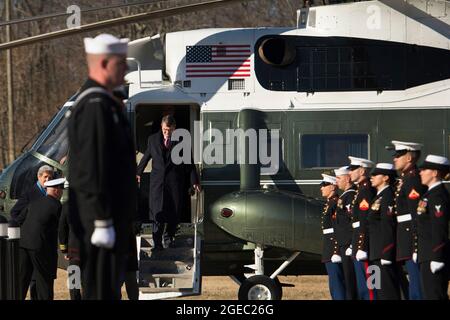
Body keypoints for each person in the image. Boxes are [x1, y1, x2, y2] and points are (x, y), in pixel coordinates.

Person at [68, 33, 137, 300]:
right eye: (122, 63)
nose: (126, 70)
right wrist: (101, 220)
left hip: (111, 220)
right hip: (101, 223)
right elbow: (91, 167)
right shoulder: (95, 106)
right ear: (105, 64)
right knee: (100, 292)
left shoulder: (105, 103)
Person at [136, 114, 200, 250]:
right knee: (156, 213)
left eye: (169, 130)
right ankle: (157, 243)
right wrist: (138, 173)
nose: (167, 133)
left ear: (174, 128)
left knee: (174, 213)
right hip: (157, 184)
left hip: (174, 183)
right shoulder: (152, 139)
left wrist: (194, 180)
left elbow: (189, 163)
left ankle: (168, 238)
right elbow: (146, 157)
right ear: (161, 126)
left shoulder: (181, 141)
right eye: (165, 130)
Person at [389, 140, 426, 300]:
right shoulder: (405, 179)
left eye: (398, 155)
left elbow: (417, 215)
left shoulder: (412, 180)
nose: (394, 159)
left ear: (409, 158)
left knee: (418, 288)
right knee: (414, 287)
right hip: (406, 239)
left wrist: (416, 246)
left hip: (412, 240)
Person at [11, 164, 54, 300]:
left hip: (42, 244)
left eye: (50, 177)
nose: (48, 180)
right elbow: (15, 213)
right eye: (45, 177)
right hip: (27, 242)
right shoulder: (30, 193)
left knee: (37, 281)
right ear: (39, 177)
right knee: (25, 279)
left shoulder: (50, 193)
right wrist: (29, 224)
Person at [19, 178, 65, 300]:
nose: (62, 193)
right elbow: (62, 228)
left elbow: (20, 219)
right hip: (40, 247)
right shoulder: (57, 206)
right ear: (56, 190)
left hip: (23, 243)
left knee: (22, 280)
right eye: (61, 190)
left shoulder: (34, 202)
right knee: (44, 281)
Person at [417, 155, 450, 300]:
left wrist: (437, 256)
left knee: (435, 295)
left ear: (435, 173)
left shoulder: (438, 196)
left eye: (425, 169)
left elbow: (440, 227)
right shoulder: (429, 194)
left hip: (433, 255)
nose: (421, 172)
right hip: (426, 254)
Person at [368, 163, 402, 300]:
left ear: (386, 178)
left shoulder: (387, 195)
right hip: (374, 252)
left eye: (375, 175)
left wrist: (387, 252)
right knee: (376, 288)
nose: (372, 177)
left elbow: (388, 225)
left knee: (387, 292)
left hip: (382, 254)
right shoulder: (378, 196)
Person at [347, 156, 376, 300]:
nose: (350, 172)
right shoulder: (361, 190)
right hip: (358, 240)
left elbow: (365, 220)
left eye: (353, 169)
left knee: (369, 287)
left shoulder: (366, 190)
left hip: (364, 244)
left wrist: (362, 246)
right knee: (363, 286)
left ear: (363, 170)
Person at [319, 173, 346, 300]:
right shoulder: (330, 203)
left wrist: (335, 250)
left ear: (333, 187)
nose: (321, 187)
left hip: (333, 248)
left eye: (324, 185)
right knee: (333, 283)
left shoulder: (335, 204)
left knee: (337, 282)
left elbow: (338, 229)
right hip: (328, 247)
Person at [334, 166, 358, 300]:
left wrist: (350, 244)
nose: (336, 181)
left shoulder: (350, 196)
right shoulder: (345, 196)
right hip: (344, 244)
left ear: (348, 178)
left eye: (339, 178)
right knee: (348, 280)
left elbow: (351, 222)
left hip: (349, 245)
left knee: (352, 281)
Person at [58, 201, 82, 300]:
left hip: (74, 248)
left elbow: (62, 228)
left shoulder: (67, 205)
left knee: (74, 278)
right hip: (92, 247)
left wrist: (64, 249)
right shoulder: (95, 201)